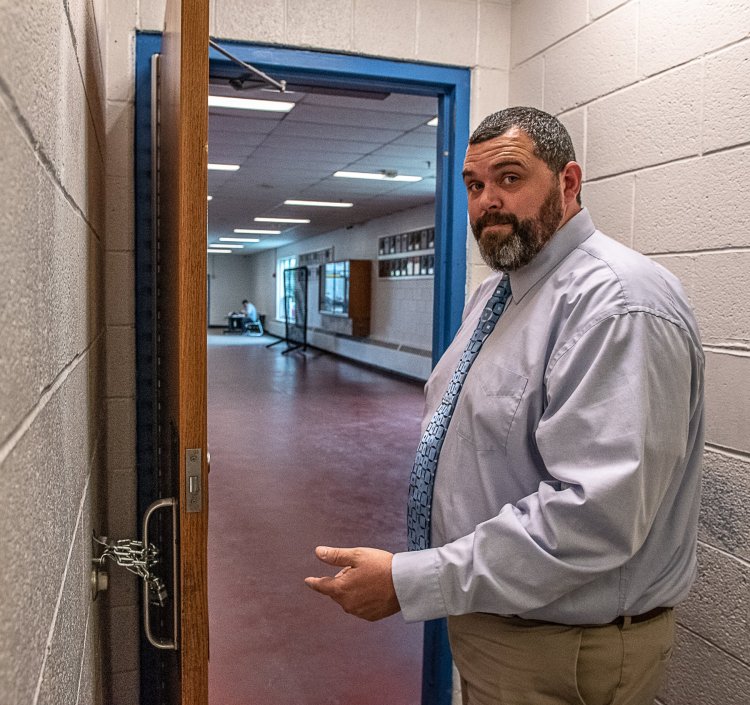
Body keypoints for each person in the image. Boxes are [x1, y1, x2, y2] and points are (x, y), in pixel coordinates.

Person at [304, 107, 704, 705]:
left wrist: (413, 580)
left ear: (568, 183)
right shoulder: (497, 294)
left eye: (510, 178)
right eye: (474, 185)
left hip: (565, 650)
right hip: (501, 621)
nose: (487, 200)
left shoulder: (617, 305)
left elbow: (596, 518)